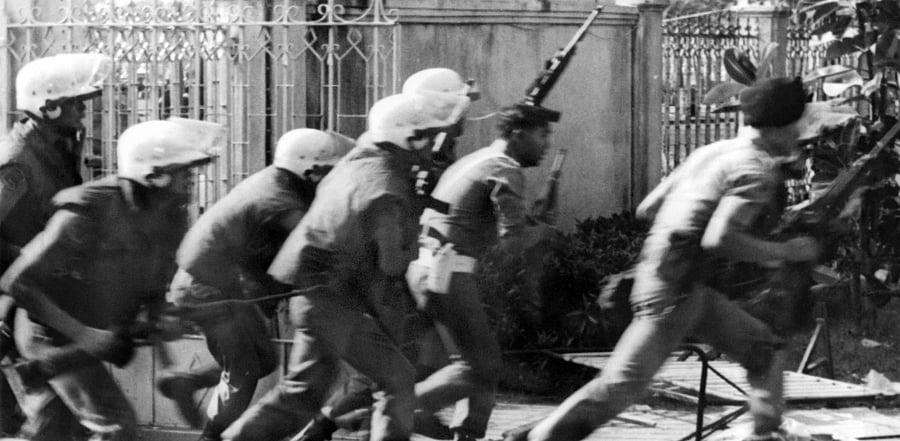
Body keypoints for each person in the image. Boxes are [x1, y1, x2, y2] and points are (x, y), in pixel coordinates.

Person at [517, 77, 821, 441]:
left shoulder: (711, 153)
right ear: (781, 126)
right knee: (620, 387)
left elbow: (649, 208)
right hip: (676, 293)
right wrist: (785, 252)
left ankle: (765, 434)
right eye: (798, 124)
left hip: (681, 286)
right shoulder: (755, 170)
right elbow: (719, 237)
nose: (801, 133)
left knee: (766, 351)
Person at [221, 90, 472, 441]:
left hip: (322, 297)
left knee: (367, 383)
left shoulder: (359, 160)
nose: (434, 146)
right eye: (429, 138)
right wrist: (418, 239)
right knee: (329, 391)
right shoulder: (387, 188)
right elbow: (391, 264)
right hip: (330, 301)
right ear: (410, 139)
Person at [0, 118, 222, 441]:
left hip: (90, 334)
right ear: (154, 174)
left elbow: (152, 289)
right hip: (49, 334)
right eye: (183, 173)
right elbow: (17, 282)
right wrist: (86, 336)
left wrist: (164, 325)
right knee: (117, 425)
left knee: (52, 430)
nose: (190, 182)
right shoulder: (89, 210)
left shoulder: (169, 215)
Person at [292, 66, 479, 441]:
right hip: (372, 273)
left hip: (372, 273)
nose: (463, 120)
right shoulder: (397, 147)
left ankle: (350, 427)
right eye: (458, 109)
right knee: (395, 369)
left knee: (397, 368)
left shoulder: (409, 144)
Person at [157, 128, 354, 441]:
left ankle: (189, 381)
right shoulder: (283, 205)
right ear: (312, 171)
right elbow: (312, 256)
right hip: (209, 289)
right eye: (333, 171)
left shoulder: (278, 183)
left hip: (213, 284)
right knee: (244, 371)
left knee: (262, 361)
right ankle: (212, 437)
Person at [406, 103, 559, 441]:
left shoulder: (473, 161)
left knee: (475, 361)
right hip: (449, 272)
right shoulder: (504, 169)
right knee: (482, 365)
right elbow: (512, 241)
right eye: (542, 134)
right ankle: (396, 410)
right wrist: (545, 231)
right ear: (517, 133)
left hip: (427, 270)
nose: (547, 144)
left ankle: (465, 433)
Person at [0, 52, 112, 436]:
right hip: (21, 300)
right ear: (48, 109)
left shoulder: (55, 147)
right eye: (75, 103)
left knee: (53, 423)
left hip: (41, 295)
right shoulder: (16, 163)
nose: (83, 111)